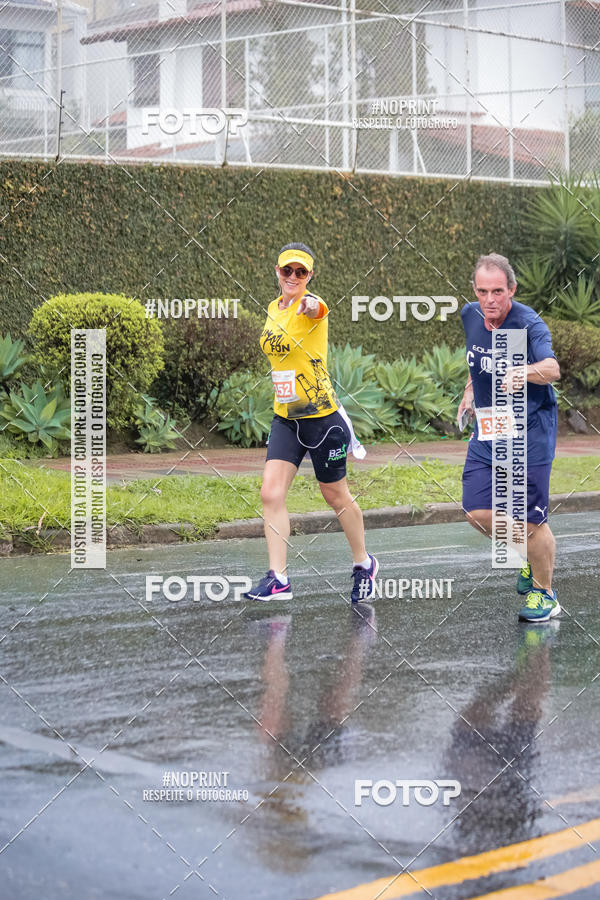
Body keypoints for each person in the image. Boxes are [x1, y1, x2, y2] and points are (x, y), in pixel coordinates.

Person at [244, 242, 378, 603]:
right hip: (286, 417)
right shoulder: (274, 308)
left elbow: (318, 308)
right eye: (287, 270)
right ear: (277, 271)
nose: (292, 277)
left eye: (300, 272)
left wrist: (311, 303)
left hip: (322, 420)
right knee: (270, 493)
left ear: (309, 277)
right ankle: (279, 579)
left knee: (335, 495)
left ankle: (364, 564)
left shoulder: (313, 306)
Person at [457, 253, 561, 623]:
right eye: (483, 291)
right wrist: (470, 389)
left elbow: (552, 368)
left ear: (512, 290)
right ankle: (531, 554)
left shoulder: (528, 324)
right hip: (489, 429)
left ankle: (545, 594)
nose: (490, 300)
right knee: (475, 509)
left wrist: (524, 371)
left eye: (498, 291)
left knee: (531, 521)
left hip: (531, 432)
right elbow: (476, 358)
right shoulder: (470, 315)